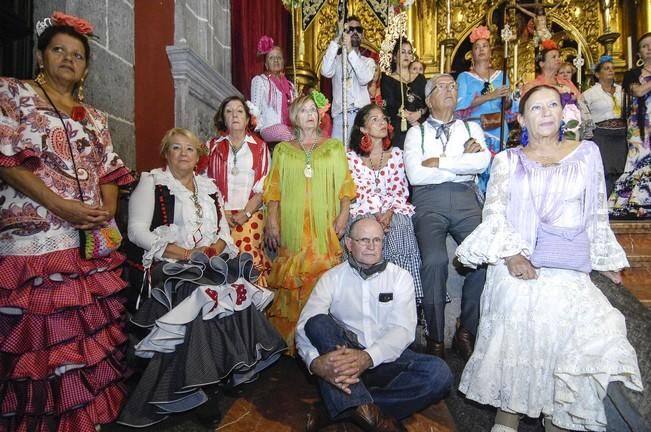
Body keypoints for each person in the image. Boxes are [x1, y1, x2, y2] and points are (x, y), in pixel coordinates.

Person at [456, 85, 642, 432]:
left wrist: (605, 258)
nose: (546, 113)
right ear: (523, 118)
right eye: (536, 108)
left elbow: (595, 212)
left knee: (591, 325)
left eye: (552, 105)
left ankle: (560, 418)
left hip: (566, 263)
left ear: (563, 112)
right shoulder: (507, 161)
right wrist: (512, 255)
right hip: (516, 259)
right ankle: (507, 419)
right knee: (518, 306)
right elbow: (494, 215)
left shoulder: (587, 153)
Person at [0, 11, 135, 431]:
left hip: (89, 238)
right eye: (59, 50)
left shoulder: (95, 117)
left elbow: (110, 170)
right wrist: (61, 206)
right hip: (35, 235)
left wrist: (107, 208)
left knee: (85, 334)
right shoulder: (12, 93)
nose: (68, 59)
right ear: (41, 55)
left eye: (77, 55)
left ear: (85, 68)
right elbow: (6, 160)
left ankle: (85, 416)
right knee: (43, 334)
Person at [119, 128, 286, 427]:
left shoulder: (209, 186)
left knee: (236, 288)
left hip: (209, 262)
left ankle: (228, 366)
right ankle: (199, 386)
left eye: (190, 149)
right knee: (201, 296)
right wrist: (185, 254)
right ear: (166, 152)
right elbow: (137, 232)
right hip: (168, 264)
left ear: (199, 156)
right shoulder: (152, 182)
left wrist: (214, 251)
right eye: (176, 148)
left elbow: (223, 231)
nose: (183, 154)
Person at [296, 218, 453, 432]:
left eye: (377, 240)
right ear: (349, 245)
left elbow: (403, 330)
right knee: (318, 324)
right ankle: (372, 417)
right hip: (345, 356)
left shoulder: (400, 278)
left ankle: (340, 409)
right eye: (364, 240)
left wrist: (368, 357)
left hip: (386, 357)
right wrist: (314, 363)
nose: (371, 246)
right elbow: (305, 324)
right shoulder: (331, 278)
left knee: (440, 373)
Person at [404, 74, 491, 360]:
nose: (449, 89)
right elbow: (416, 175)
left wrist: (440, 162)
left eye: (452, 86)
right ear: (428, 99)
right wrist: (462, 163)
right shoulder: (417, 132)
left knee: (483, 258)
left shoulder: (471, 127)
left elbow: (482, 162)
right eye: (441, 86)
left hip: (466, 199)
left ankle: (466, 328)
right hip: (429, 200)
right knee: (434, 261)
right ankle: (435, 338)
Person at [264, 95, 357, 352]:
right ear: (295, 115)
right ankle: (294, 343)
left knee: (323, 276)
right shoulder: (283, 150)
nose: (309, 114)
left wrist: (344, 213)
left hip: (324, 226)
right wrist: (272, 220)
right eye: (303, 110)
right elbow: (273, 188)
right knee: (292, 278)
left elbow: (345, 185)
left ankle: (323, 341)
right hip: (292, 228)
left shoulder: (334, 147)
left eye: (313, 110)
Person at [347, 104, 423, 303]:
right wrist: (377, 213)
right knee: (366, 228)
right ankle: (366, 298)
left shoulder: (397, 154)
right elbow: (357, 191)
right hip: (363, 207)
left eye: (383, 119)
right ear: (362, 129)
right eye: (374, 119)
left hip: (393, 207)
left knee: (400, 225)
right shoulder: (351, 158)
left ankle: (404, 298)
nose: (382, 123)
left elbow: (400, 188)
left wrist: (388, 211)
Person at [205, 96, 272, 285]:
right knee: (219, 259)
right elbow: (203, 185)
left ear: (248, 118)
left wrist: (246, 212)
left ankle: (253, 307)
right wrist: (219, 213)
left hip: (250, 213)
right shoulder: (211, 146)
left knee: (248, 257)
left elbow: (264, 187)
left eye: (239, 111)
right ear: (222, 117)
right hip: (218, 214)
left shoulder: (260, 147)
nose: (234, 115)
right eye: (229, 111)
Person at [455, 25, 512, 193]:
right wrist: (491, 95)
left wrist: (507, 99)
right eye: (477, 47)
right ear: (471, 54)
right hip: (475, 128)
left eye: (485, 46)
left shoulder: (501, 75)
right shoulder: (464, 77)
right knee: (478, 170)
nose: (481, 50)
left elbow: (509, 107)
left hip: (498, 128)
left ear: (490, 52)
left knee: (497, 173)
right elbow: (459, 105)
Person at [609, 32, 651, 218]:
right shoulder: (632, 74)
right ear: (639, 53)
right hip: (641, 128)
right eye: (645, 46)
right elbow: (640, 92)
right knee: (639, 162)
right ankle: (635, 204)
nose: (649, 49)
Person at [321, 15, 376, 147]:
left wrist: (350, 49)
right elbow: (325, 71)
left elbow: (364, 78)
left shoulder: (368, 62)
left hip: (362, 118)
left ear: (362, 35)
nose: (355, 32)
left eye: (358, 29)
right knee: (339, 160)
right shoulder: (337, 60)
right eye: (350, 29)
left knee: (361, 158)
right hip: (340, 117)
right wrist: (337, 39)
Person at [521, 39, 593, 141]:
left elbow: (581, 100)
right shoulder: (532, 86)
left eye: (558, 56)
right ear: (542, 63)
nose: (558, 59)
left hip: (569, 131)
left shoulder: (566, 82)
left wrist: (573, 99)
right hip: (544, 132)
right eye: (554, 57)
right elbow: (525, 112)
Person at [583, 55, 627, 196]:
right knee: (604, 171)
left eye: (612, 68)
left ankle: (619, 204)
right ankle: (605, 205)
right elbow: (583, 113)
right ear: (597, 74)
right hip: (602, 136)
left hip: (621, 136)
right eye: (606, 68)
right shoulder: (589, 94)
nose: (611, 71)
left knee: (622, 170)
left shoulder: (623, 91)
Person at [381, 37, 428, 149]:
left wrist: (419, 114)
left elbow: (429, 102)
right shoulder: (388, 80)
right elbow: (390, 107)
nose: (406, 55)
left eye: (409, 52)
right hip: (400, 126)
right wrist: (407, 117)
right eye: (402, 52)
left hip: (421, 123)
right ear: (395, 57)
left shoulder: (420, 78)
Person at [250, 36, 296, 143]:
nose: (276, 60)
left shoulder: (290, 86)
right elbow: (254, 109)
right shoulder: (260, 80)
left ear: (283, 62)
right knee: (283, 130)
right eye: (271, 58)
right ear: (266, 65)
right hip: (268, 128)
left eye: (279, 57)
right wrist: (257, 129)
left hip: (288, 128)